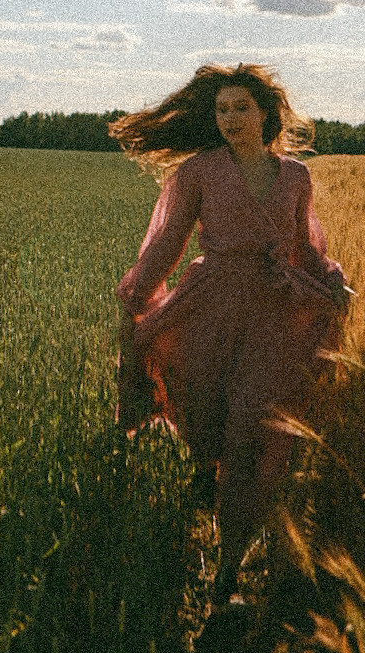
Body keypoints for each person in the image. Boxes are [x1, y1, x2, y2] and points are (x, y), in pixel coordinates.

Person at [110, 63, 350, 606]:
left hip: (273, 314)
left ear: (266, 112)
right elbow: (168, 242)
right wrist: (136, 295)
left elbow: (305, 249)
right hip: (212, 307)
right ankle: (210, 518)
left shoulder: (295, 177)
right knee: (210, 424)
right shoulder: (200, 172)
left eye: (240, 108)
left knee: (250, 428)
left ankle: (228, 566)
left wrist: (333, 281)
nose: (229, 119)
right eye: (221, 110)